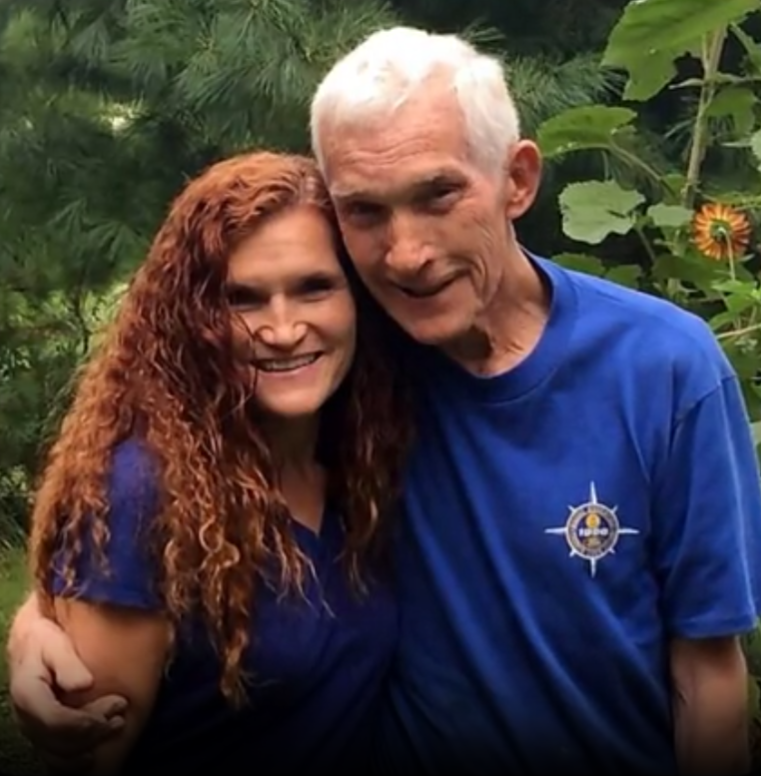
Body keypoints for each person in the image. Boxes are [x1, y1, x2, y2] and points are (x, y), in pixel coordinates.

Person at [8, 25, 761, 776]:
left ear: (517, 180)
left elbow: (707, 670)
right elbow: (140, 516)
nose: (406, 253)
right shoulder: (357, 355)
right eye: (365, 212)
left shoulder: (663, 369)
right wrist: (41, 623)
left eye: (438, 194)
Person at [7, 150, 410, 774]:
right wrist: (36, 625)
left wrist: (28, 619)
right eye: (242, 299)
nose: (283, 329)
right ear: (193, 319)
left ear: (357, 296)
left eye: (314, 287)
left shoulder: (366, 457)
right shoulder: (142, 495)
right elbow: (84, 758)